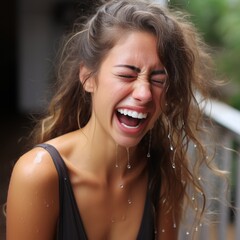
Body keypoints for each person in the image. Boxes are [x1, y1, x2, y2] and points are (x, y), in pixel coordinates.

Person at [6, 0, 221, 239]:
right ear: (88, 77)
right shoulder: (38, 175)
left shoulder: (163, 176)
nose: (145, 93)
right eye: (127, 75)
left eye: (158, 80)